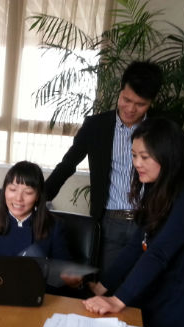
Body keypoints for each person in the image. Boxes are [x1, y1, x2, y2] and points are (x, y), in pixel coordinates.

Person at [67, 117, 184, 327]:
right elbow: (137, 245)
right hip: (169, 290)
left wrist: (117, 300)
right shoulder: (158, 188)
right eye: (134, 156)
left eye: (144, 157)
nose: (137, 163)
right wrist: (102, 286)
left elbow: (158, 252)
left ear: (167, 155)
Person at [45, 61, 163, 272]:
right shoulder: (96, 126)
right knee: (107, 283)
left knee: (145, 282)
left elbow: (177, 171)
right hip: (109, 222)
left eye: (140, 104)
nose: (131, 109)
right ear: (120, 91)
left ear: (151, 102)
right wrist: (40, 197)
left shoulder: (162, 129)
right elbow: (68, 164)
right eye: (126, 100)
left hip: (149, 221)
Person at [0, 160, 70, 261]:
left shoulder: (54, 227)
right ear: (5, 191)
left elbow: (62, 268)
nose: (18, 198)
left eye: (28, 192)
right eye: (13, 190)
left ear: (37, 196)